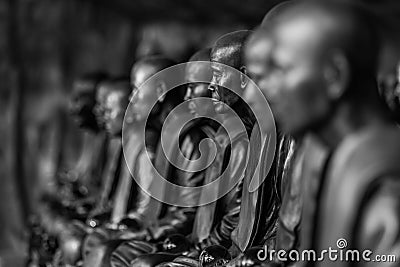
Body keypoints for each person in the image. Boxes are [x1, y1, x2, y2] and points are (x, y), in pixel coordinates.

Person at [267, 1, 400, 266]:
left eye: (281, 70)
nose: (265, 90)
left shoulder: (388, 191)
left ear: (334, 75)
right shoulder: (328, 154)